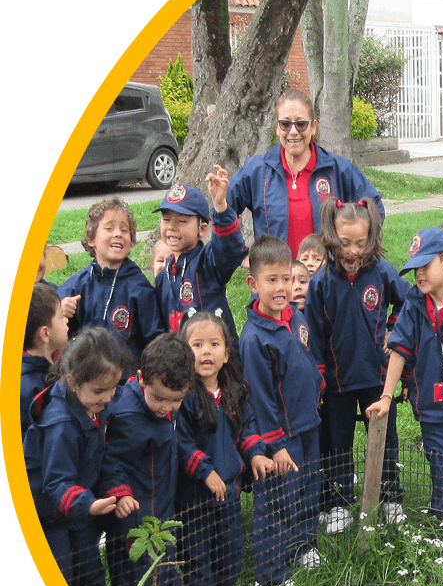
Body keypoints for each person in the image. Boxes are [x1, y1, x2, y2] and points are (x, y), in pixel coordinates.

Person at [367, 228, 443, 579]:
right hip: (431, 410)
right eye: (414, 269)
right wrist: (387, 395)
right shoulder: (414, 305)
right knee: (440, 463)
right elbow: (399, 350)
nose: (419, 274)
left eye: (426, 266)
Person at [306, 198, 409, 534]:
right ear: (330, 237)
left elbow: (408, 300)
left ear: (372, 238)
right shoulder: (321, 282)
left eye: (360, 243)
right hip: (336, 381)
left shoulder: (381, 271)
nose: (352, 251)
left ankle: (391, 497)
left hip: (376, 377)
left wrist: (393, 328)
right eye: (344, 242)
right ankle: (337, 502)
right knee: (336, 443)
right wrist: (319, 380)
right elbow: (313, 335)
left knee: (386, 440)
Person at [176, 313, 275, 586]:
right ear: (184, 352)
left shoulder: (234, 391)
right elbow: (181, 442)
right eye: (197, 345)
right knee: (198, 555)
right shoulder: (184, 398)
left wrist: (256, 454)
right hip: (196, 497)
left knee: (230, 550)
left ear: (227, 354)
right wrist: (205, 471)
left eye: (214, 344)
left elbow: (247, 428)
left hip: (229, 492)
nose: (206, 352)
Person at [239, 234, 324, 586]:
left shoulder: (296, 317)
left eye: (286, 279)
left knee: (307, 489)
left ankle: (303, 545)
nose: (280, 288)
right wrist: (275, 446)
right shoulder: (254, 338)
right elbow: (259, 399)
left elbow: (305, 358)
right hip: (282, 436)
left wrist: (317, 384)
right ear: (253, 284)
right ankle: (271, 574)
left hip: (308, 423)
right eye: (271, 280)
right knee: (277, 501)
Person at [23, 328, 127, 586]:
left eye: (113, 388)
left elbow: (99, 456)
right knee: (62, 578)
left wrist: (111, 492)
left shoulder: (90, 404)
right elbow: (55, 482)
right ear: (72, 381)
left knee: (91, 573)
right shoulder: (62, 424)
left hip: (78, 508)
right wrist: (88, 504)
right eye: (99, 391)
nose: (108, 398)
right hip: (49, 513)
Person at [97, 333, 194, 586]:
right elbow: (108, 459)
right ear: (141, 379)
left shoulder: (167, 408)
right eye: (159, 398)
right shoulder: (125, 414)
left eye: (176, 400)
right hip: (133, 516)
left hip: (162, 508)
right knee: (133, 577)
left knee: (167, 568)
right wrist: (120, 493)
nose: (167, 407)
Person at [226, 89, 385, 258]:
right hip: (276, 273)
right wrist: (240, 256)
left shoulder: (339, 169)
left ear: (313, 127)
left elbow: (375, 209)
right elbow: (224, 212)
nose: (293, 131)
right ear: (277, 128)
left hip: (326, 273)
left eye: (301, 124)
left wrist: (353, 251)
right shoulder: (256, 170)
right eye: (285, 124)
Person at [58, 197, 165, 372]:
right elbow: (50, 328)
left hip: (125, 380)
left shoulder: (140, 288)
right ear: (92, 239)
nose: (118, 234)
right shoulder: (77, 285)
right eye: (109, 228)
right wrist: (61, 311)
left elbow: (155, 340)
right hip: (83, 377)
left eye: (125, 230)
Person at [154, 172, 247, 336]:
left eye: (182, 221)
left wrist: (220, 205)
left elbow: (228, 247)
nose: (172, 227)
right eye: (166, 219)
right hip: (180, 351)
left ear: (202, 229)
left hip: (216, 350)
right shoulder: (164, 276)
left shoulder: (209, 261)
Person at [22, 283, 70, 438]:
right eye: (61, 316)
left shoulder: (54, 362)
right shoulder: (29, 388)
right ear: (45, 334)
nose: (66, 321)